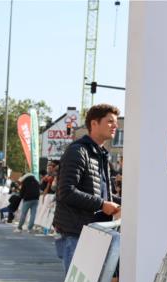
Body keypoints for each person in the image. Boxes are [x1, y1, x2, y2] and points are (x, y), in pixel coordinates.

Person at [51, 103, 121, 272]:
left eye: (116, 122)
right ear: (94, 124)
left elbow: (105, 194)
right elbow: (66, 192)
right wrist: (102, 205)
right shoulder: (78, 151)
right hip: (76, 235)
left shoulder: (101, 155)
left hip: (94, 234)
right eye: (110, 121)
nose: (115, 126)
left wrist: (124, 203)